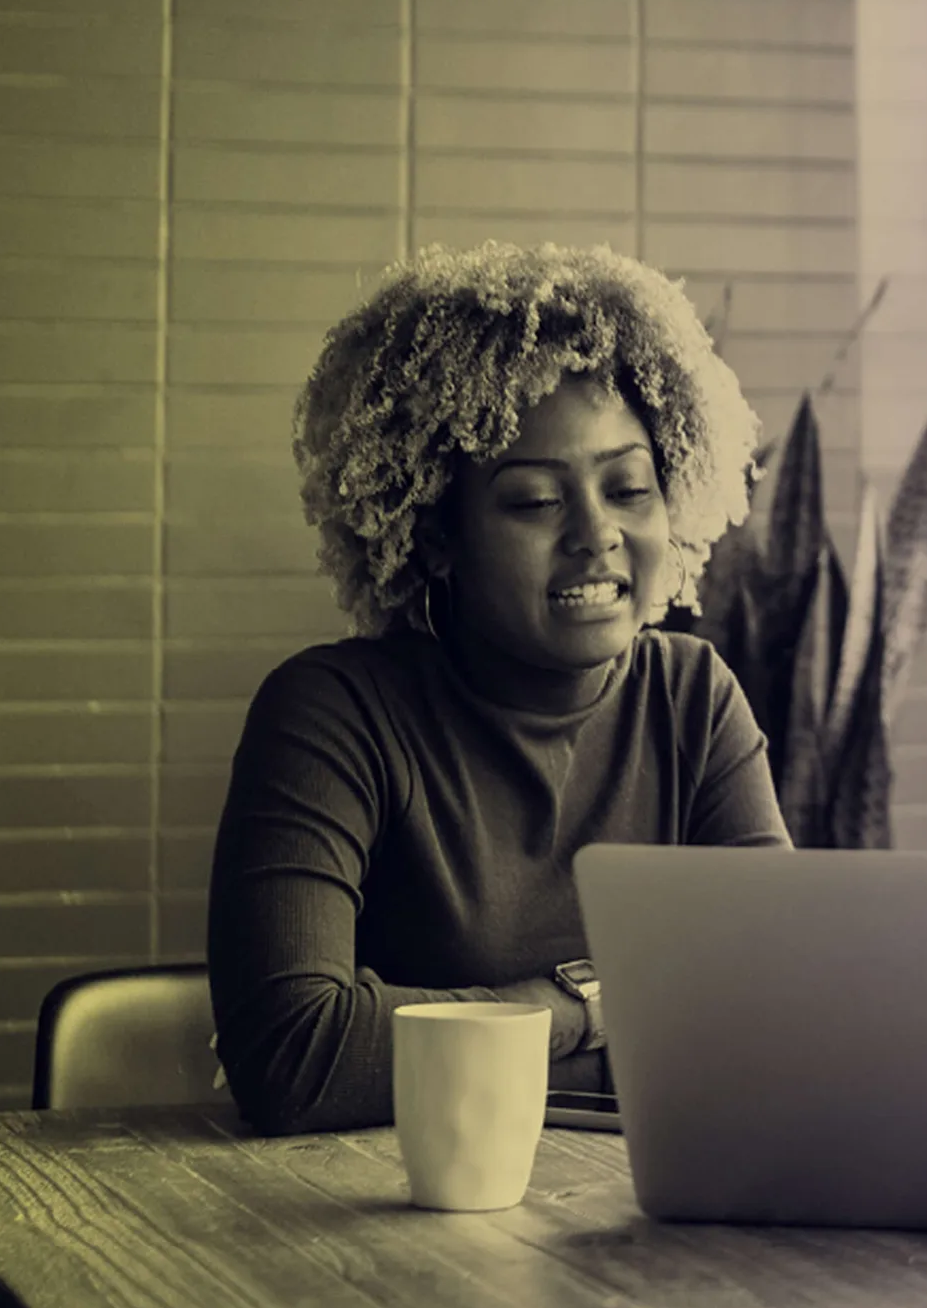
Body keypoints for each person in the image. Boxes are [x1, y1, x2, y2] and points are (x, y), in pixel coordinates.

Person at [208, 241, 790, 1137]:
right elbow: (298, 1057)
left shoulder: (694, 699)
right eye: (534, 501)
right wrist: (586, 1005)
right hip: (388, 1220)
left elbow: (776, 1014)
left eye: (628, 487)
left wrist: (459, 1033)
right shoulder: (332, 716)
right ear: (436, 533)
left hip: (631, 1214)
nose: (597, 534)